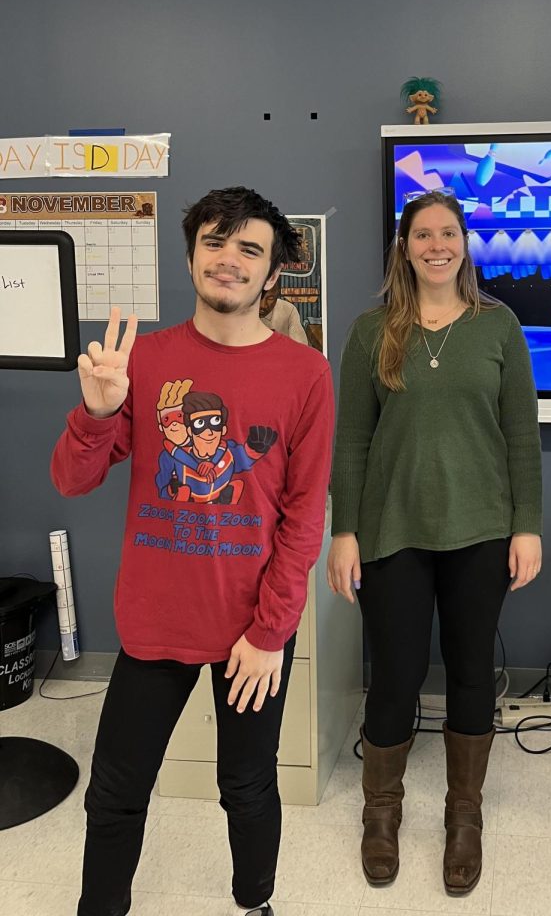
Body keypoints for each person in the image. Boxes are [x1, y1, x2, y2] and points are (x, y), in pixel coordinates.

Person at [51, 186, 335, 916]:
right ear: (191, 256)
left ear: (272, 275)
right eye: (216, 241)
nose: (229, 260)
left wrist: (271, 633)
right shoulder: (143, 361)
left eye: (250, 248)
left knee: (246, 785)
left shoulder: (306, 374)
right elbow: (72, 480)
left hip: (254, 630)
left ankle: (254, 901)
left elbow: (304, 516)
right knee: (116, 790)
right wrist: (98, 412)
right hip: (156, 621)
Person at [327, 189, 542, 896]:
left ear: (464, 243)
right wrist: (345, 532)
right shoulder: (370, 330)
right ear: (405, 246)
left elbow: (522, 437)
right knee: (394, 673)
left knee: (472, 670)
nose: (437, 245)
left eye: (448, 233)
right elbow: (352, 440)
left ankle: (464, 815)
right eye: (423, 235)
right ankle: (380, 815)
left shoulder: (498, 326)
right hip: (393, 530)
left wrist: (528, 525)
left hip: (481, 529)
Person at [259, 276, 308, 344]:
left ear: (277, 296)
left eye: (270, 299)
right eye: (259, 297)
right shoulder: (241, 311)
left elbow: (301, 347)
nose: (263, 305)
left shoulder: (288, 310)